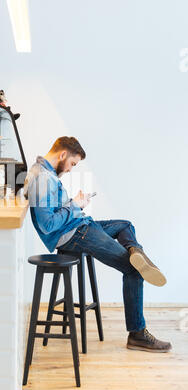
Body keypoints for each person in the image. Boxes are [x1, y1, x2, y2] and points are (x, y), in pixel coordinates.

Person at [24, 136, 172, 353]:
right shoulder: (42, 178)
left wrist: (74, 204)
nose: (71, 169)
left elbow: (54, 212)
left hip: (81, 226)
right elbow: (47, 225)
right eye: (73, 164)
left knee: (125, 225)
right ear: (63, 154)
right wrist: (75, 205)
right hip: (75, 235)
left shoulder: (44, 173)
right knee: (133, 269)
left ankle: (136, 251)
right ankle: (138, 334)